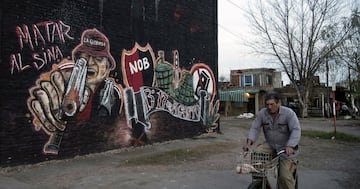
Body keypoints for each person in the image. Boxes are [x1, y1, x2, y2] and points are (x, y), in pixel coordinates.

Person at [28, 28, 125, 154]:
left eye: (98, 59)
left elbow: (111, 129)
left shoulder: (111, 95)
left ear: (107, 69)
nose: (90, 63)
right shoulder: (64, 81)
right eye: (85, 58)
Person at [243, 92, 301, 189]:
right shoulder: (263, 113)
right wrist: (249, 143)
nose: (269, 107)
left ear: (279, 103)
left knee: (284, 177)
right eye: (267, 104)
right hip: (271, 145)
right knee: (256, 156)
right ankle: (263, 185)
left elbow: (296, 130)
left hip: (286, 148)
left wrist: (290, 145)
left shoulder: (289, 113)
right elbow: (255, 128)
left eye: (272, 104)